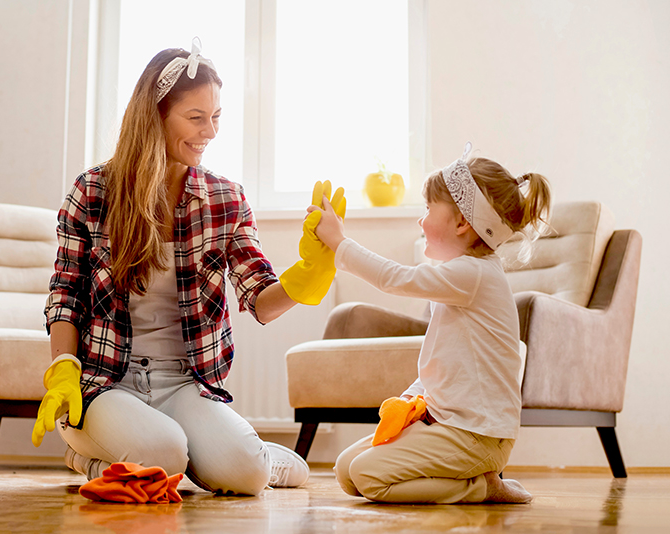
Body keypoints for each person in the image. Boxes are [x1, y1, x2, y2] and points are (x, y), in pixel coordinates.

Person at [30, 38, 344, 496]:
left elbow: (261, 299)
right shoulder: (93, 190)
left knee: (249, 477)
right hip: (107, 381)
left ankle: (244, 459)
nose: (210, 132)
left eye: (216, 117)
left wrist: (310, 271)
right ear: (154, 115)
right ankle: (88, 456)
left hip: (184, 383)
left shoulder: (225, 198)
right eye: (196, 118)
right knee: (164, 454)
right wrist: (62, 368)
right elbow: (66, 295)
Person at [309, 142, 551, 504]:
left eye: (427, 209)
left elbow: (397, 278)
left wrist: (339, 243)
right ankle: (468, 479)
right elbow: (447, 360)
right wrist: (411, 400)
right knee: (347, 469)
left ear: (462, 223)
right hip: (446, 424)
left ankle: (481, 486)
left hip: (477, 435)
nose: (420, 221)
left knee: (366, 476)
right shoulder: (462, 280)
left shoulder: (474, 274)